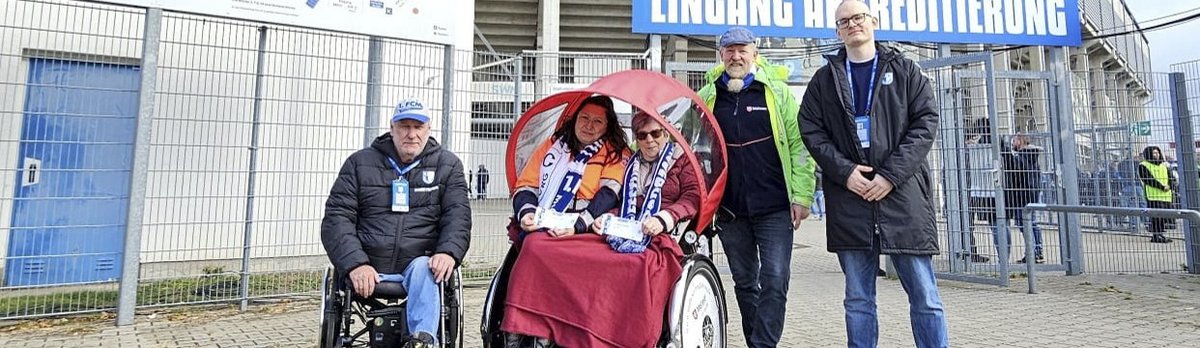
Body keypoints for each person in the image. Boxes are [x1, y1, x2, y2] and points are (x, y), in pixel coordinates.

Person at [797, 1, 948, 347]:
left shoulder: (906, 71)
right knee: (858, 300)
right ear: (837, 31)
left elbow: (925, 124)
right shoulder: (824, 80)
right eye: (844, 21)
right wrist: (846, 171)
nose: (852, 25)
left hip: (902, 198)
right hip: (851, 201)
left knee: (925, 296)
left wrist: (890, 176)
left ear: (873, 22)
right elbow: (811, 130)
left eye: (858, 18)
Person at [697, 26, 816, 347]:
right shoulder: (709, 97)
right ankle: (756, 342)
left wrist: (803, 195)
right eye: (729, 50)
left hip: (775, 207)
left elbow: (798, 145)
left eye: (742, 50)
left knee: (775, 281)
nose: (736, 56)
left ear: (755, 54)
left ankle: (763, 344)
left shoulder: (776, 93)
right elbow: (696, 150)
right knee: (745, 282)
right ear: (721, 56)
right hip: (730, 210)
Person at [320, 98, 471, 348]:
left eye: (418, 127)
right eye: (404, 127)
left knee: (426, 268)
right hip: (368, 264)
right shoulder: (359, 164)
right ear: (392, 128)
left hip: (419, 264)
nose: (411, 134)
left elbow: (458, 217)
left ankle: (422, 341)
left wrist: (447, 252)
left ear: (428, 130)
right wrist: (356, 264)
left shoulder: (448, 166)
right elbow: (337, 218)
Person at [500, 96, 637, 347]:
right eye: (584, 118)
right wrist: (526, 213)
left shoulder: (616, 153)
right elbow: (526, 185)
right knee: (534, 246)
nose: (589, 125)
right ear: (573, 120)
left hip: (589, 223)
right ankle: (519, 327)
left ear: (608, 126)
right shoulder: (552, 147)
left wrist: (578, 225)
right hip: (548, 217)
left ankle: (561, 329)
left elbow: (609, 194)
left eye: (597, 121)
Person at [981, 134, 1045, 263]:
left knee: (1025, 224)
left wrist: (1004, 150)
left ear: (1020, 141)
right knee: (1032, 223)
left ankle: (1032, 253)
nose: (1012, 143)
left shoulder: (1024, 156)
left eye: (1014, 141)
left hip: (1022, 195)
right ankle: (1037, 251)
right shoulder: (1032, 156)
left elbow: (1015, 168)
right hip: (1031, 193)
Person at [1138, 146, 1176, 243]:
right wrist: (1162, 187)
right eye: (1154, 153)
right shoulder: (1143, 165)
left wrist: (1170, 186)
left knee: (1164, 217)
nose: (1156, 155)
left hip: (1166, 196)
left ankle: (1160, 234)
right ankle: (1156, 235)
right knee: (1156, 217)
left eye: (1157, 153)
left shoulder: (1164, 165)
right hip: (1153, 196)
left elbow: (1172, 178)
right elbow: (1148, 179)